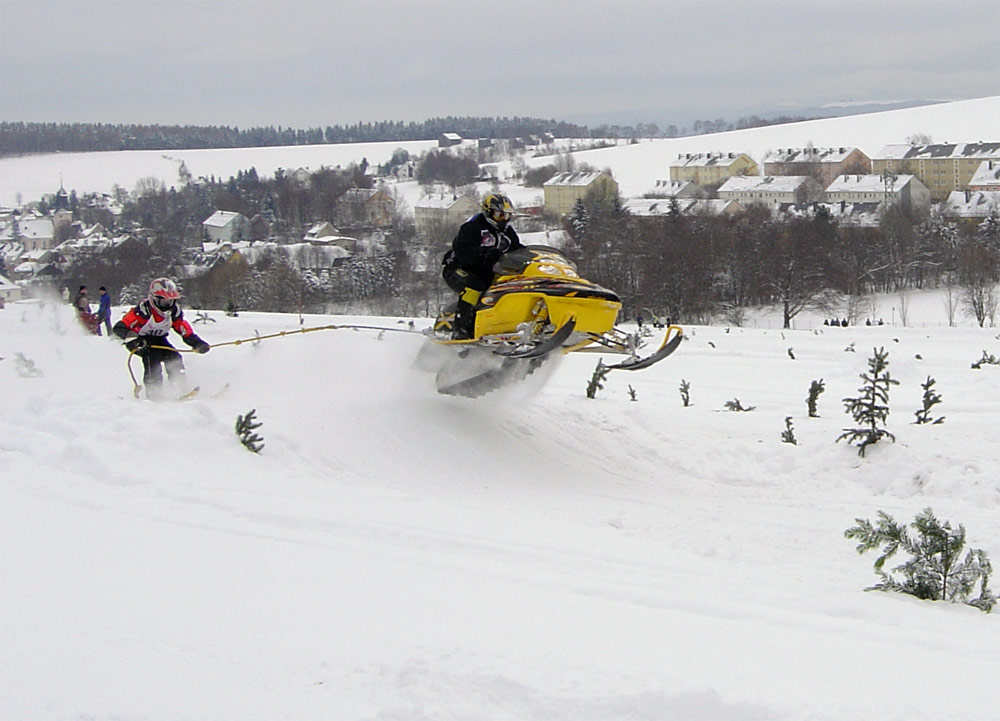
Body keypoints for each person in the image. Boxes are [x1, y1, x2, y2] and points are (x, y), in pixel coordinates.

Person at [441, 193, 522, 339]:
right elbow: (462, 251)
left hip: (486, 272)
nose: (504, 219)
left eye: (507, 215)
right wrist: (484, 253)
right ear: (488, 212)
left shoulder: (507, 232)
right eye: (499, 215)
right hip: (459, 268)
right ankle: (461, 330)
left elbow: (518, 250)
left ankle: (504, 326)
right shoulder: (472, 227)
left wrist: (533, 256)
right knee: (474, 286)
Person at [112, 277, 210, 397]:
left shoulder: (174, 312)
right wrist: (134, 341)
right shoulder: (143, 311)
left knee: (174, 358)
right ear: (154, 299)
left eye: (170, 301)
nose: (167, 305)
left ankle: (179, 388)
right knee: (152, 359)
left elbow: (183, 329)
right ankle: (154, 393)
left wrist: (198, 343)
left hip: (159, 340)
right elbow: (119, 328)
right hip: (140, 342)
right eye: (164, 302)